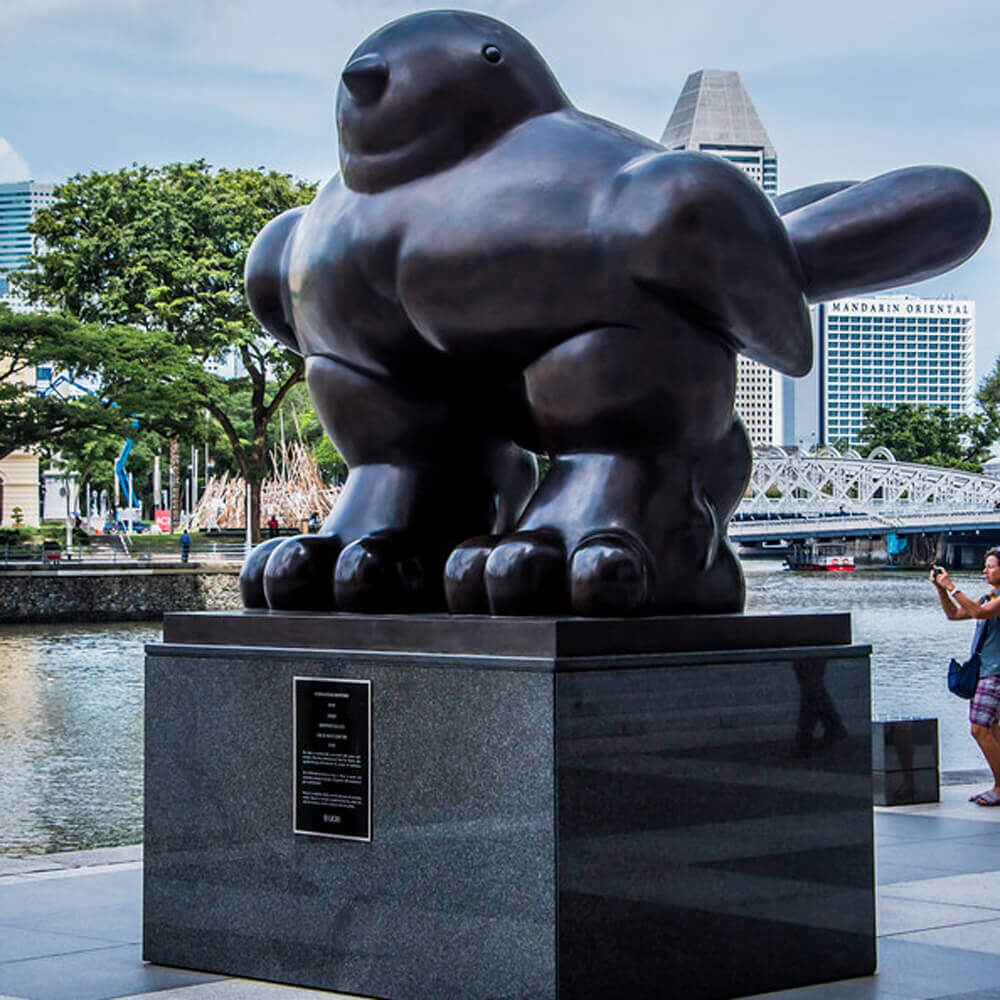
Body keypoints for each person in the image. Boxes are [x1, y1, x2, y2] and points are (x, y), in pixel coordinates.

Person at [932, 549, 1000, 806]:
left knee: (979, 728)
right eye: (985, 566)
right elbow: (955, 614)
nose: (985, 571)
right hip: (986, 672)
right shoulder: (988, 597)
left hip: (995, 673)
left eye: (991, 566)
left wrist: (952, 586)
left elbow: (979, 613)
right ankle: (999, 784)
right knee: (990, 728)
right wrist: (941, 589)